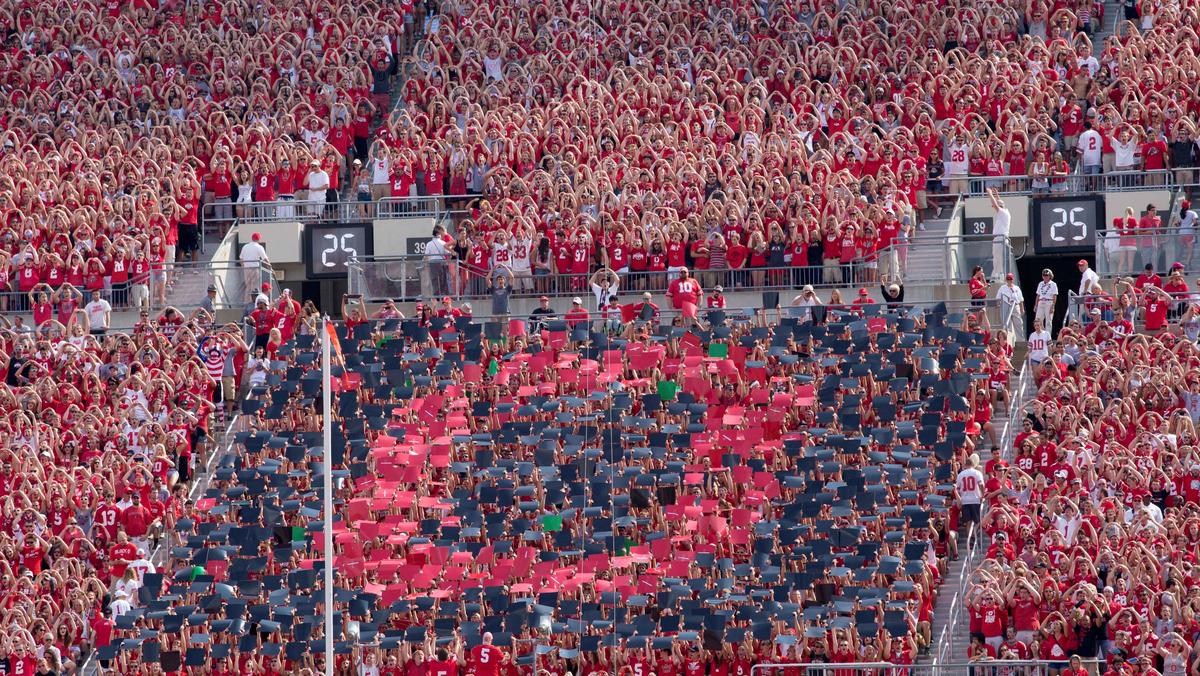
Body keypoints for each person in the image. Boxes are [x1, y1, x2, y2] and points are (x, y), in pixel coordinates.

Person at [956, 453, 985, 527]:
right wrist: (982, 495)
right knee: (977, 520)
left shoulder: (960, 474)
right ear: (973, 464)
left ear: (965, 465)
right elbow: (981, 484)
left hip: (965, 500)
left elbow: (958, 489)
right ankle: (975, 535)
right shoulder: (977, 473)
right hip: (975, 499)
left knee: (968, 522)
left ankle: (970, 536)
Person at [988, 188, 1011, 279]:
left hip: (1000, 239)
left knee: (998, 259)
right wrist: (997, 195)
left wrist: (990, 194)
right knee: (997, 259)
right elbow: (999, 204)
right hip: (1000, 239)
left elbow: (996, 205)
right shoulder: (1005, 212)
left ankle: (997, 276)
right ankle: (997, 275)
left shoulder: (1003, 213)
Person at [425, 225, 452, 298]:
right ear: (438, 235)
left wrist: (426, 265)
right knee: (443, 279)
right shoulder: (443, 243)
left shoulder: (429, 244)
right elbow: (448, 253)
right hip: (442, 262)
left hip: (432, 263)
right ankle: (444, 296)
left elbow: (426, 256)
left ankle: (436, 296)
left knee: (435, 280)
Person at [996, 273, 1024, 337]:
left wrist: (1022, 309)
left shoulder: (1017, 288)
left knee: (1018, 323)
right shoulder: (1002, 287)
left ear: (1013, 279)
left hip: (1015, 305)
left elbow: (1021, 299)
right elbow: (998, 298)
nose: (1009, 280)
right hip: (1005, 305)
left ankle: (1020, 339)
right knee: (1006, 323)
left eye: (1010, 279)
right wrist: (998, 305)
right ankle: (1008, 338)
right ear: (1006, 279)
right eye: (1008, 279)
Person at [1034, 269, 1058, 333]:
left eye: (1047, 275)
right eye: (1044, 275)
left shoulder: (1053, 284)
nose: (1045, 276)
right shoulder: (1040, 283)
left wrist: (1053, 306)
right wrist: (1036, 305)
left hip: (1049, 302)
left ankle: (1048, 336)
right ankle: (1041, 333)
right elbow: (1038, 295)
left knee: (1048, 321)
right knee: (1038, 319)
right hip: (1041, 302)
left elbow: (1054, 295)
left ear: (1050, 276)